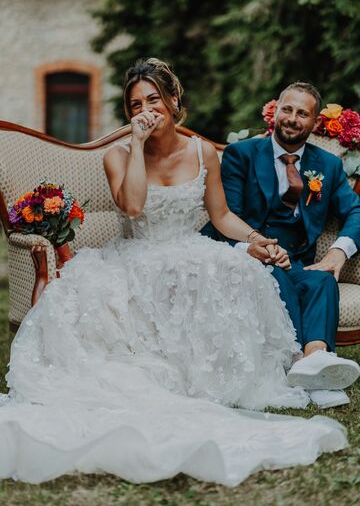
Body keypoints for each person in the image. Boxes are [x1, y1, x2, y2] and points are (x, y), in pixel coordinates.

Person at [0, 61, 349, 485]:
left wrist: (255, 237)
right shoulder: (118, 155)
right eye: (135, 104)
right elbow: (130, 206)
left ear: (173, 101)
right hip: (137, 255)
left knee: (241, 271)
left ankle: (301, 364)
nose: (145, 109)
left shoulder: (203, 153)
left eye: (153, 99)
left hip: (192, 249)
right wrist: (135, 141)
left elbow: (221, 216)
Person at [203, 82, 360, 407]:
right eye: (287, 109)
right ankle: (312, 371)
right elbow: (224, 217)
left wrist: (337, 251)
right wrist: (255, 248)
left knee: (321, 280)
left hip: (298, 263)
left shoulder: (327, 165)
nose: (292, 118)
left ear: (315, 122)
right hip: (248, 259)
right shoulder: (241, 155)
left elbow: (355, 209)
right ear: (276, 111)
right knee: (271, 278)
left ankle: (315, 359)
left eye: (302, 113)